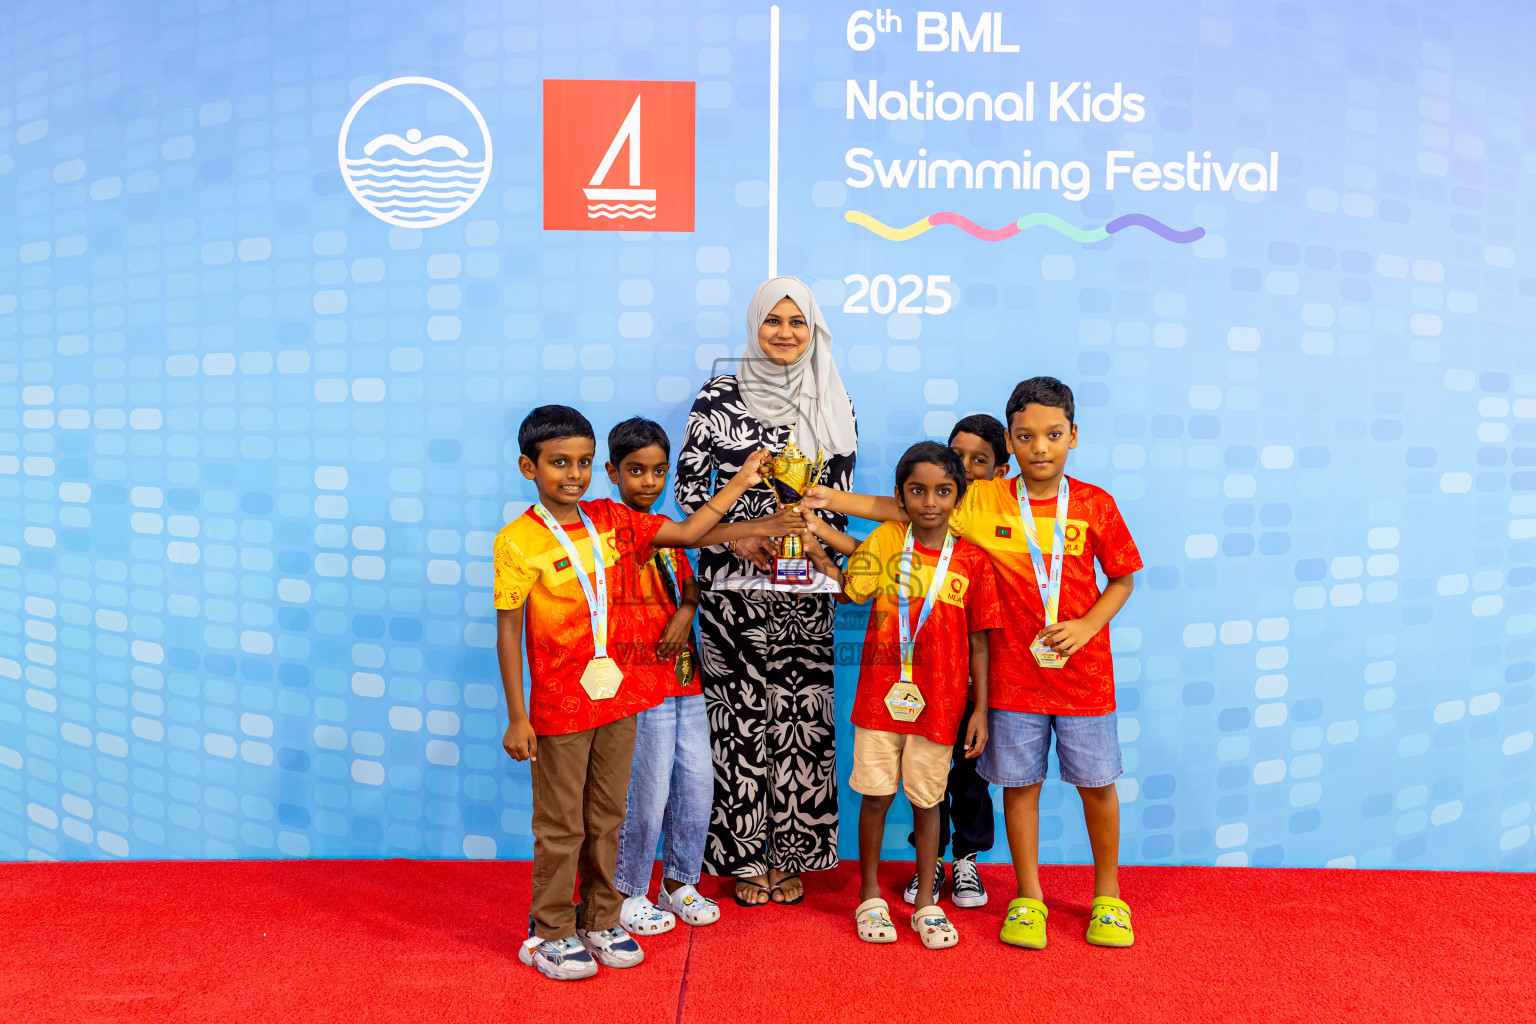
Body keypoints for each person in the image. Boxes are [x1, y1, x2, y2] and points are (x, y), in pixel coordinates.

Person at [807, 378, 1142, 949]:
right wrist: (829, 503)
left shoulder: (1096, 504)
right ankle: (1029, 897)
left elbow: (1123, 578)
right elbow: (906, 510)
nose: (1041, 447)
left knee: (1097, 785)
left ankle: (1108, 896)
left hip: (1085, 679)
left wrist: (1087, 626)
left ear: (1073, 437)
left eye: (1054, 435)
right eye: (1028, 436)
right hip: (1012, 680)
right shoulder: (983, 500)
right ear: (1012, 443)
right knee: (1019, 786)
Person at [495, 405, 789, 982]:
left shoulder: (611, 518)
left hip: (621, 700)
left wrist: (741, 484)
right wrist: (517, 715)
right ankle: (550, 930)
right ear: (529, 467)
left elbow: (686, 532)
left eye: (582, 462)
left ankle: (601, 917)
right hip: (559, 706)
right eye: (559, 463)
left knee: (608, 815)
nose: (573, 474)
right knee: (561, 824)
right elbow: (508, 631)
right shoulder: (516, 541)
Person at [674, 277, 858, 907]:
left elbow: (835, 504)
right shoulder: (718, 398)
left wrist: (807, 538)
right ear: (754, 325)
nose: (785, 332)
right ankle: (744, 857)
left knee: (804, 721)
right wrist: (746, 535)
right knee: (740, 722)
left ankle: (794, 854)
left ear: (815, 330)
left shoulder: (833, 399)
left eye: (798, 322)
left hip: (807, 588)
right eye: (773, 321)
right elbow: (690, 501)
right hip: (733, 591)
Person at [799, 442, 1000, 949]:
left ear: (959, 497)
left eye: (942, 491)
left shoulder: (973, 560)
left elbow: (980, 640)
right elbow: (851, 591)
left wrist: (981, 709)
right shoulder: (889, 539)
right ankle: (869, 895)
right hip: (878, 699)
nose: (929, 501)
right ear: (900, 495)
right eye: (917, 491)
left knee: (928, 801)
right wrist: (818, 551)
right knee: (876, 796)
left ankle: (927, 905)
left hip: (943, 703)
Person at [603, 417, 722, 935]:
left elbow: (690, 585)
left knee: (697, 782)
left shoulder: (667, 524)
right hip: (640, 679)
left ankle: (679, 882)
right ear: (613, 472)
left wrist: (684, 613)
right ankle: (627, 891)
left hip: (684, 675)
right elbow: (699, 534)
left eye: (657, 471)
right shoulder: (608, 525)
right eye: (635, 472)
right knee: (647, 790)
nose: (648, 483)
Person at [903, 413, 1012, 909]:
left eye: (979, 461)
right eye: (958, 457)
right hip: (922, 682)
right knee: (926, 781)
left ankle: (966, 860)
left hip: (977, 681)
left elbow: (983, 637)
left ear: (999, 469)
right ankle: (929, 863)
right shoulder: (921, 522)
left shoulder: (988, 527)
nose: (966, 469)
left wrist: (981, 705)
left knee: (969, 779)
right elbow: (884, 510)